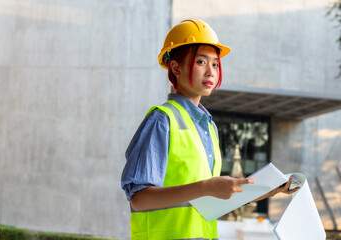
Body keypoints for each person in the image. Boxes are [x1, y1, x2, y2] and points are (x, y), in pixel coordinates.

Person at [121, 18, 298, 240]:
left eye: (215, 64)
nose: (211, 72)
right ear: (175, 67)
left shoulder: (209, 128)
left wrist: (264, 191)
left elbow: (207, 201)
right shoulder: (161, 120)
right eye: (201, 62)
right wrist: (205, 187)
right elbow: (139, 199)